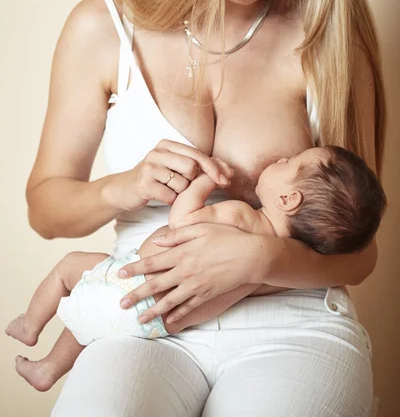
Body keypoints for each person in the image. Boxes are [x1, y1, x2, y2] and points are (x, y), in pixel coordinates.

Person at [25, 0, 386, 415]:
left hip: (294, 321)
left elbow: (362, 251)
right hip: (142, 310)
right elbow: (45, 210)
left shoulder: (331, 43)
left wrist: (260, 259)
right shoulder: (105, 26)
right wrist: (126, 186)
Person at [6, 146, 387, 392]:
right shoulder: (279, 272)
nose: (283, 159)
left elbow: (183, 222)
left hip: (130, 279)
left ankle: (31, 325)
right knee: (95, 319)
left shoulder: (241, 215)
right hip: (158, 323)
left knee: (72, 269)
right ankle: (49, 369)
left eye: (291, 162)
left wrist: (203, 183)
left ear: (288, 199)